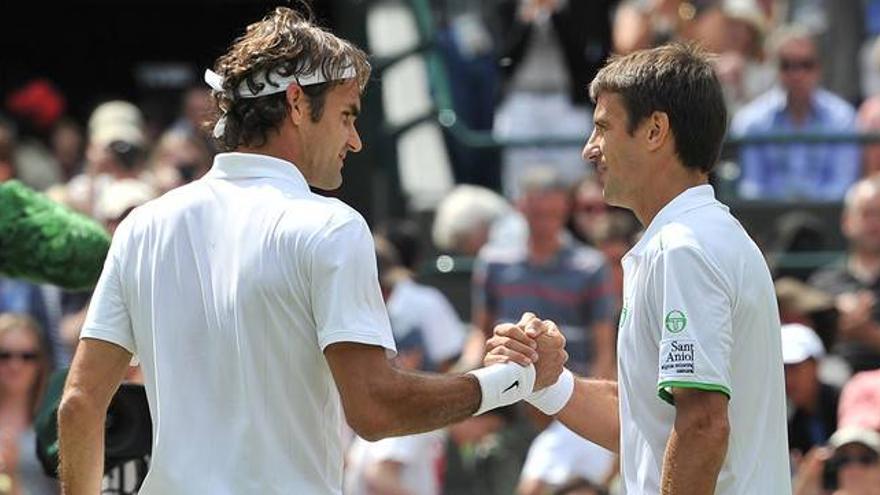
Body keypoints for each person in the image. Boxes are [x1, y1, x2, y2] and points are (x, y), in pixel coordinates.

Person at [57, 7, 566, 495]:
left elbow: (79, 404)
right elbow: (376, 409)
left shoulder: (142, 225)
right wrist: (509, 381)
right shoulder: (331, 227)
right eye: (347, 116)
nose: (356, 140)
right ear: (298, 104)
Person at [485, 42, 791, 493]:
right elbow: (645, 428)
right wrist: (545, 381)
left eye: (603, 128)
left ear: (654, 131)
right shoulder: (692, 239)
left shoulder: (682, 249)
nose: (590, 150)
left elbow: (703, 426)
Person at [730, 24, 860, 200]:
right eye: (787, 65)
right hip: (766, 221)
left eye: (806, 64)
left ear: (819, 68)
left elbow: (843, 185)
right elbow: (752, 186)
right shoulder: (750, 121)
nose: (797, 74)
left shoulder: (843, 118)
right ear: (773, 67)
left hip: (829, 221)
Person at [810, 177, 880, 373]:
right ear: (847, 221)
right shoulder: (822, 283)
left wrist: (868, 333)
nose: (874, 223)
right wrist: (834, 319)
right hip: (833, 389)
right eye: (867, 213)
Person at [0, 314, 58, 495]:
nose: (15, 365)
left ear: (41, 363)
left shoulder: (57, 423)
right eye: (4, 355)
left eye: (27, 356)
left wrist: (11, 476)